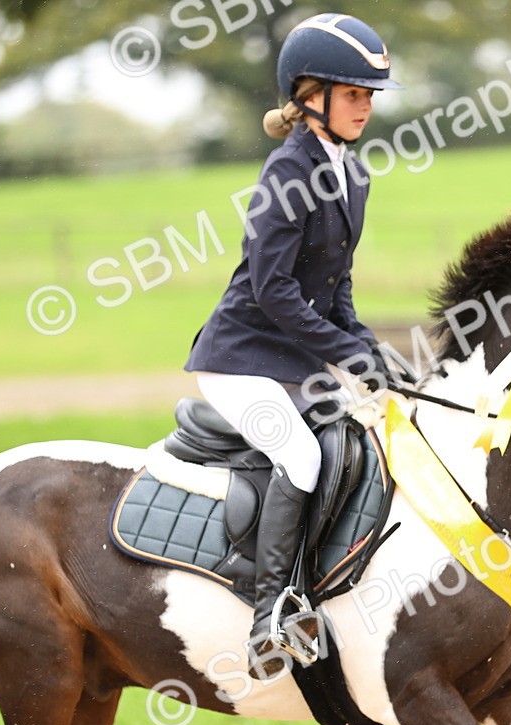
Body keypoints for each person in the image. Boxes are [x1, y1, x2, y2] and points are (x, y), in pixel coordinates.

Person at [184, 12, 401, 678]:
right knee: (302, 457)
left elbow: (334, 291)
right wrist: (344, 353)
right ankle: (272, 612)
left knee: (367, 438)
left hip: (295, 362)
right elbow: (275, 291)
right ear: (311, 95)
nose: (365, 107)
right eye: (354, 93)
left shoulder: (354, 177)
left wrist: (370, 351)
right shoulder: (287, 172)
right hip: (241, 360)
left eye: (370, 96)